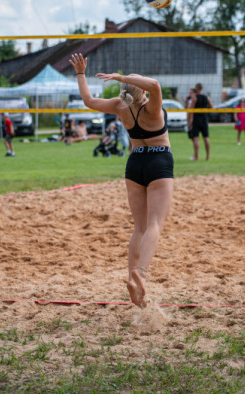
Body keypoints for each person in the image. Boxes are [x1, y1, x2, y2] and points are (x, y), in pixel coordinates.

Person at [69, 52, 173, 309]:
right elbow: (156, 85)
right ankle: (142, 273)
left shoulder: (120, 106)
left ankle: (131, 279)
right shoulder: (152, 107)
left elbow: (89, 100)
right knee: (154, 225)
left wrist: (81, 73)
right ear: (143, 92)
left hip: (135, 162)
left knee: (138, 228)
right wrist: (121, 77)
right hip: (159, 160)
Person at [190, 83, 213, 161]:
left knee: (196, 139)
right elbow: (211, 106)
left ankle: (196, 157)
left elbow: (191, 110)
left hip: (196, 119)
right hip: (204, 119)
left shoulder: (194, 97)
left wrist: (190, 121)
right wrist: (205, 109)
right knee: (206, 138)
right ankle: (208, 157)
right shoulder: (206, 97)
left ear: (197, 88)